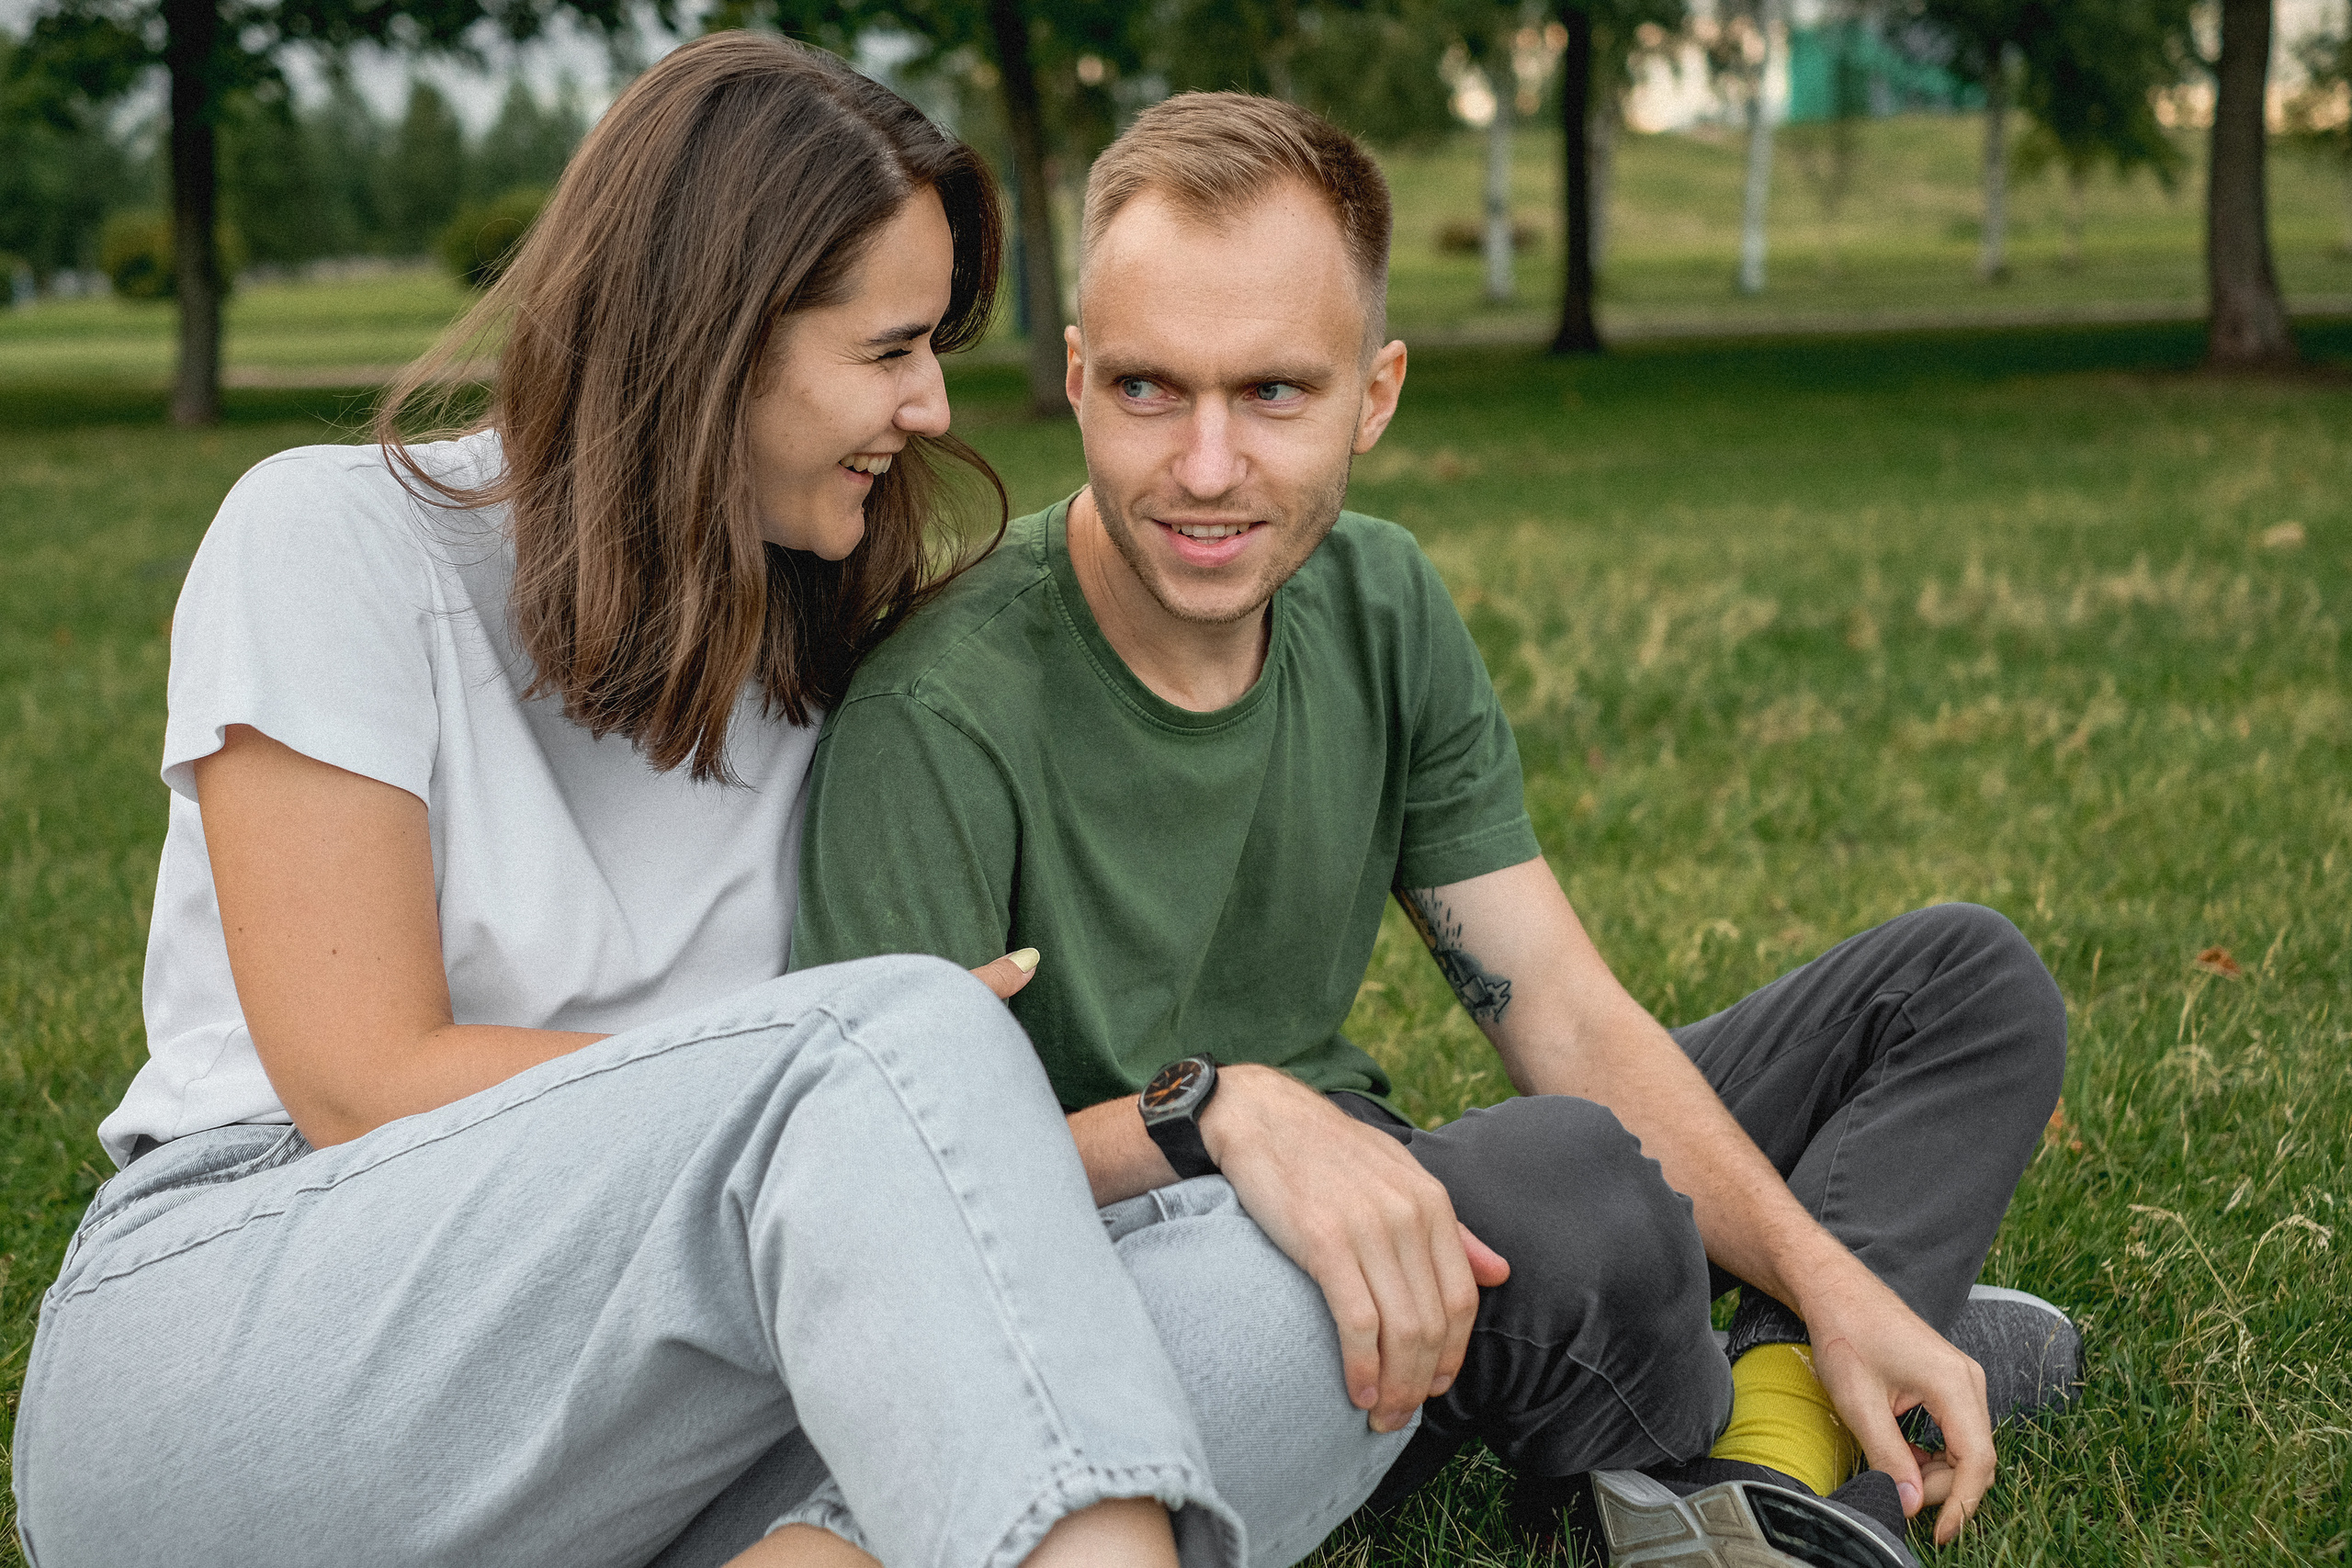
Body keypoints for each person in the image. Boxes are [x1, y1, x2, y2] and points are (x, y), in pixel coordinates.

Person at [10, 39, 1409, 1568]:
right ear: (716, 339)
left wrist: (1197, 1127)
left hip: (655, 1421)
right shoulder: (334, 541)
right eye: (889, 351)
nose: (934, 408)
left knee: (1310, 1293)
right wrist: (865, 1078)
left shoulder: (837, 654)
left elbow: (869, 1175)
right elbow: (362, 1080)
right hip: (263, 1355)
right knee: (891, 1043)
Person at [791, 93, 2081, 1568]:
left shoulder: (1379, 600)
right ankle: (1776, 1428)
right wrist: (1214, 1118)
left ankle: (1807, 1347)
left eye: (1274, 393)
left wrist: (1826, 1280)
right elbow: (883, 1181)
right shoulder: (937, 716)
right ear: (1077, 379)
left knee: (1961, 987)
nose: (1206, 469)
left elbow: (1565, 1014)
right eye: (1150, 390)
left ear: (1375, 394)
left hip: (1409, 1172)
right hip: (1207, 1281)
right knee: (1578, 1192)